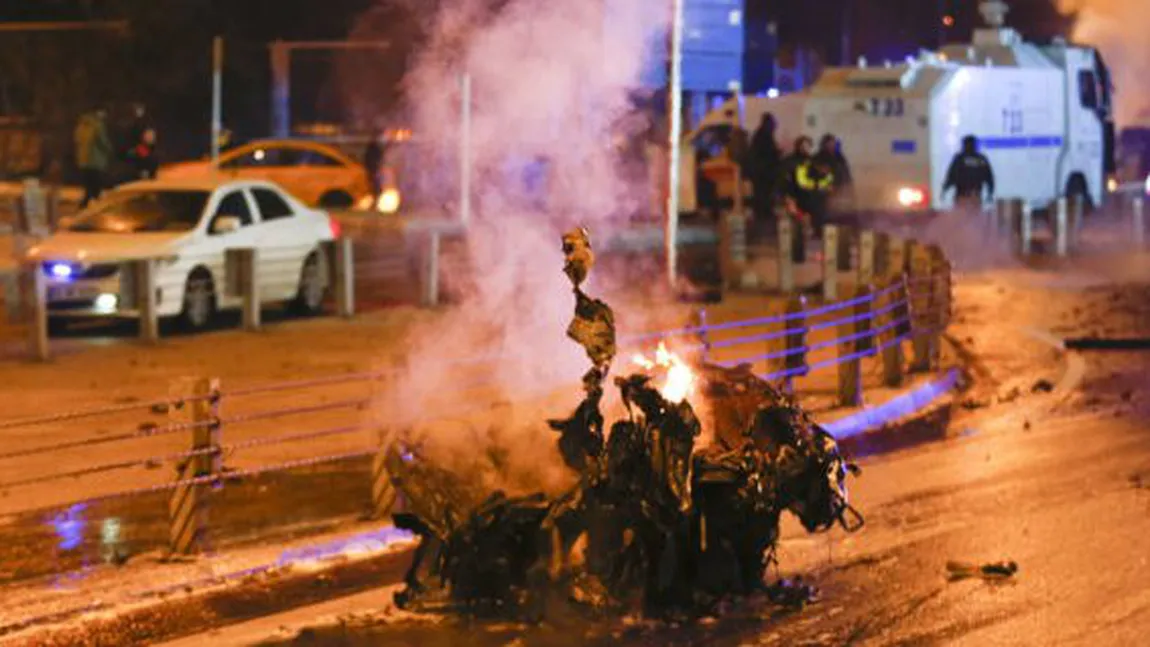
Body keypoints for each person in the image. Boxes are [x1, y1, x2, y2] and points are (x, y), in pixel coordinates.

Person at [74, 108, 114, 208]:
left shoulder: (81, 125)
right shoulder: (98, 125)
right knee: (96, 183)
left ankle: (87, 203)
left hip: (83, 159)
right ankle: (95, 205)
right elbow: (102, 141)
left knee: (88, 184)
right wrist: (110, 150)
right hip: (96, 160)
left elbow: (76, 139)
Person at [942, 135, 995, 207]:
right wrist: (990, 193)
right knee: (974, 216)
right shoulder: (981, 159)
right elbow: (989, 177)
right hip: (975, 195)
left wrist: (944, 190)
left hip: (962, 195)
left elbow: (951, 176)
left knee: (962, 216)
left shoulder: (959, 158)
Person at [749, 113, 782, 222]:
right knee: (763, 193)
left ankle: (762, 213)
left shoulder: (760, 134)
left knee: (761, 193)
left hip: (761, 170)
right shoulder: (764, 135)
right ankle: (763, 214)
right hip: (763, 171)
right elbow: (767, 153)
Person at [363, 129, 387, 205]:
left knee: (376, 187)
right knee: (375, 187)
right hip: (374, 170)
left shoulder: (374, 147)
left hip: (375, 170)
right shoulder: (374, 147)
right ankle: (375, 202)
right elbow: (371, 160)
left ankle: (376, 201)